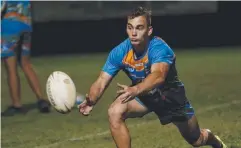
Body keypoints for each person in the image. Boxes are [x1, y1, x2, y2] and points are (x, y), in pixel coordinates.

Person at [79, 6, 227, 148]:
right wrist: (91, 100)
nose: (133, 33)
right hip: (145, 98)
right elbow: (101, 81)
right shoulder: (120, 52)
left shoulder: (159, 48)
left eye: (139, 28)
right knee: (114, 111)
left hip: (171, 98)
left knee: (196, 140)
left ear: (149, 30)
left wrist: (135, 89)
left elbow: (158, 76)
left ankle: (216, 142)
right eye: (130, 27)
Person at [1, 1, 50, 116]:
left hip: (9, 26)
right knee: (26, 64)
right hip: (26, 24)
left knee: (11, 68)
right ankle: (41, 99)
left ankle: (16, 104)